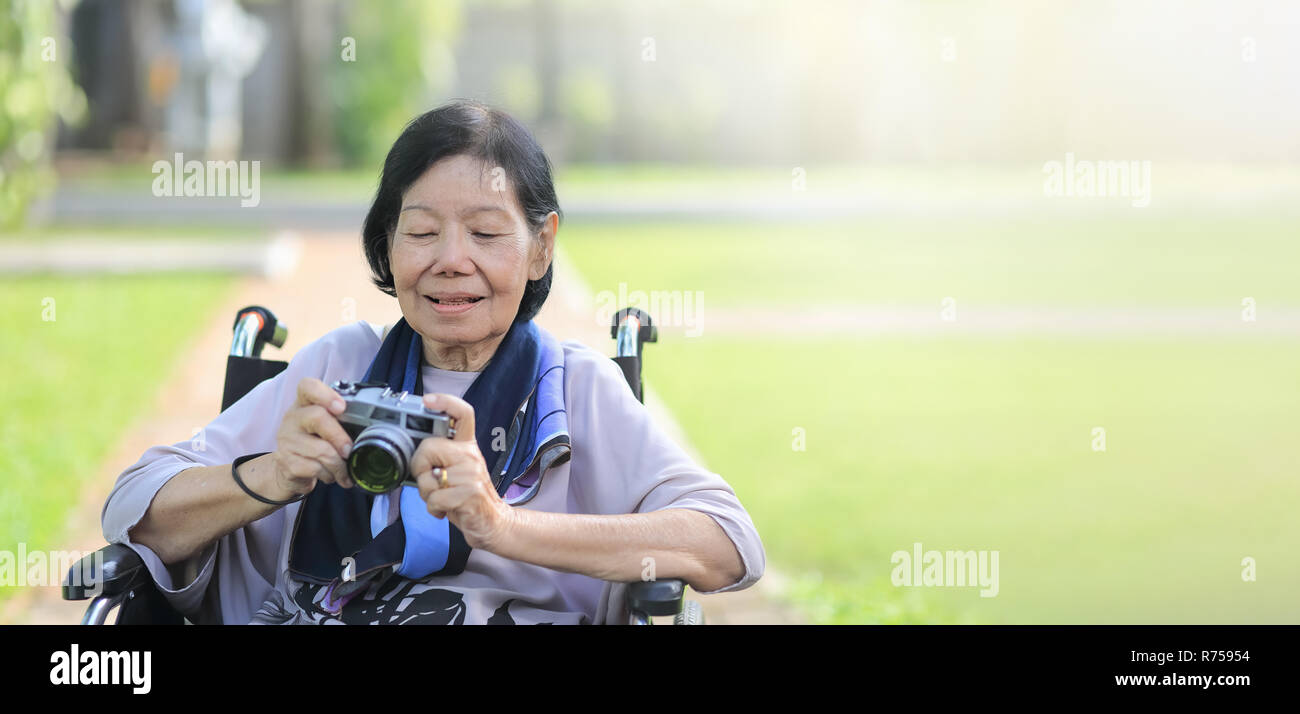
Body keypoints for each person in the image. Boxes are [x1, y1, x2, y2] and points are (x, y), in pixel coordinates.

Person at [101, 99, 765, 624]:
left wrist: (503, 525)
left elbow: (727, 542)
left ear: (541, 246)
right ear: (388, 245)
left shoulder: (578, 388)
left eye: (484, 233)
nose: (451, 260)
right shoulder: (338, 366)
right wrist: (271, 475)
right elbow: (134, 506)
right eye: (421, 232)